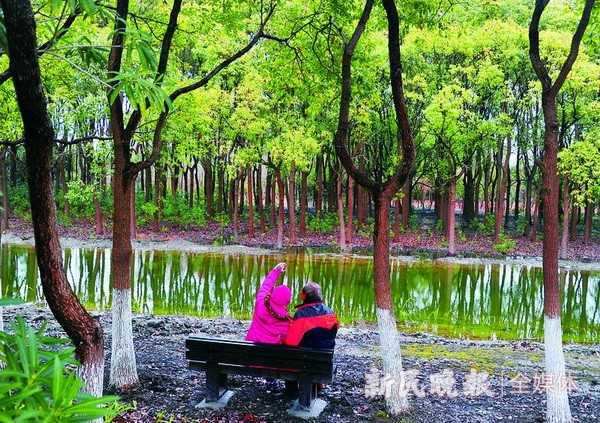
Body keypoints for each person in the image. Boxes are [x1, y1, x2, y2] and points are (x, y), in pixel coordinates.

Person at [246, 262, 291, 344]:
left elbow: (266, 285)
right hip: (271, 352)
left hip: (251, 344)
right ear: (287, 302)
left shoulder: (261, 301)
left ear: (273, 293)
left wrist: (276, 270)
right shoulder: (285, 319)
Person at [284, 281, 338, 349]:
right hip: (327, 353)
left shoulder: (301, 314)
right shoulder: (330, 312)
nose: (300, 294)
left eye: (301, 292)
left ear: (304, 296)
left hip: (306, 354)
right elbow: (334, 332)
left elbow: (291, 342)